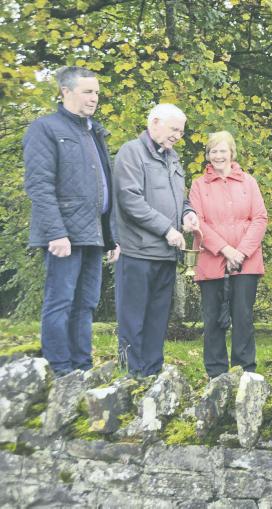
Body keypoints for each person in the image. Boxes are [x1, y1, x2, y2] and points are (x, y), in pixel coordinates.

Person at [23, 66, 120, 376]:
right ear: (66, 91)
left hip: (92, 233)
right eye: (87, 92)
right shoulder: (45, 129)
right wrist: (56, 233)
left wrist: (111, 238)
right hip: (63, 235)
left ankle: (82, 367)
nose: (94, 98)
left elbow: (104, 187)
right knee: (60, 301)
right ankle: (60, 369)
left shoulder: (95, 131)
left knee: (87, 304)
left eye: (97, 92)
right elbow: (39, 185)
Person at [113, 104, 200, 377]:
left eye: (181, 131)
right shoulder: (131, 152)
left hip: (165, 254)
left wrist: (188, 214)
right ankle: (130, 374)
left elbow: (180, 198)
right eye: (174, 129)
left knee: (157, 318)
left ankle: (152, 372)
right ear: (155, 122)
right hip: (137, 251)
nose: (178, 135)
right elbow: (130, 200)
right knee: (133, 316)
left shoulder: (173, 158)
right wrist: (166, 229)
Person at [189, 131, 268, 377]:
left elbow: (260, 218)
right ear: (208, 155)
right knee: (213, 319)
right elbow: (198, 222)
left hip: (247, 262)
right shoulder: (199, 185)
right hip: (211, 260)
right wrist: (225, 250)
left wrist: (241, 253)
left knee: (243, 318)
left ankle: (245, 371)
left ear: (232, 153)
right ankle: (216, 373)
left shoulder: (249, 182)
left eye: (223, 151)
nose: (218, 156)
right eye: (213, 151)